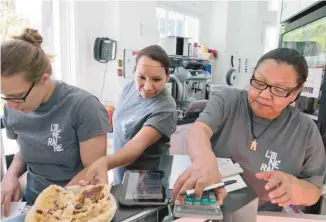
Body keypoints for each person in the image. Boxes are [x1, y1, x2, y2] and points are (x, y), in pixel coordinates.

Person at [172, 48, 326, 212]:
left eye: (279, 90)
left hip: (262, 215)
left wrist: (296, 189)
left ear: (296, 92)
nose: (264, 95)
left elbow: (314, 190)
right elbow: (200, 130)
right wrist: (204, 159)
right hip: (213, 209)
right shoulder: (228, 101)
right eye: (259, 82)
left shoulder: (305, 130)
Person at [1, 28, 111, 215]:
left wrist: (58, 207)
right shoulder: (13, 107)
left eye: (18, 97)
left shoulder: (83, 107)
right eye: (5, 97)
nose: (11, 106)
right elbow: (26, 149)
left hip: (75, 206)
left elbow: (94, 170)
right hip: (32, 204)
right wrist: (10, 176)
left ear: (44, 80)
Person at [81, 45, 177, 185]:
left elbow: (134, 148)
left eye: (156, 80)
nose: (147, 86)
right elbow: (121, 124)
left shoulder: (165, 108)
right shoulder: (129, 88)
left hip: (147, 184)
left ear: (167, 77)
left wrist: (104, 163)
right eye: (141, 77)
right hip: (121, 175)